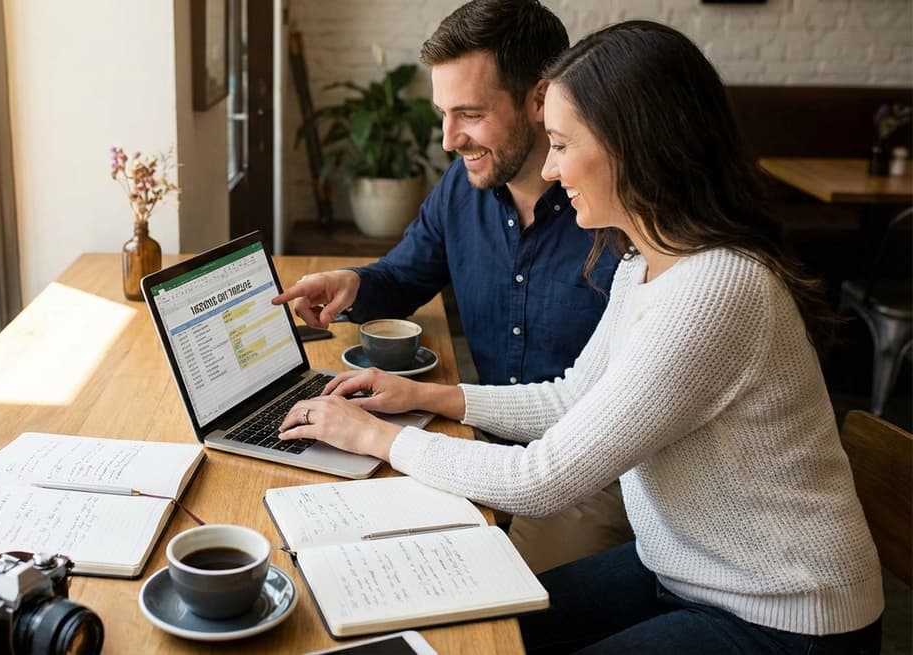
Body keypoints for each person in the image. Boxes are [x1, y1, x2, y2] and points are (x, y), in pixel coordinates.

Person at [279, 20, 884, 654]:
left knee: (488, 640)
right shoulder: (642, 258)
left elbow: (544, 480)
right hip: (682, 568)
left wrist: (374, 436)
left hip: (781, 614)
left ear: (635, 147)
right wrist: (426, 398)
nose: (551, 165)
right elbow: (573, 398)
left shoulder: (715, 290)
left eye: (563, 144)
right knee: (472, 635)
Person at [275, 0, 629, 573]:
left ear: (540, 100)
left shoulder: (615, 215)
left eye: (469, 113)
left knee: (490, 606)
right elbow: (404, 275)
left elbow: (590, 416)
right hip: (478, 442)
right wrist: (352, 283)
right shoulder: (462, 188)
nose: (447, 139)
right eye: (442, 113)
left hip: (594, 475)